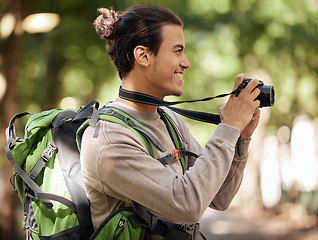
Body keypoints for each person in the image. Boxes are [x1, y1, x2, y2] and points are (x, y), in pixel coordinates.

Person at [80, 4, 261, 239]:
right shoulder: (108, 139)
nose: (186, 63)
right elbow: (186, 205)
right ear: (143, 55)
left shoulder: (169, 120)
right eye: (178, 51)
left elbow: (219, 197)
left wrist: (240, 138)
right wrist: (228, 128)